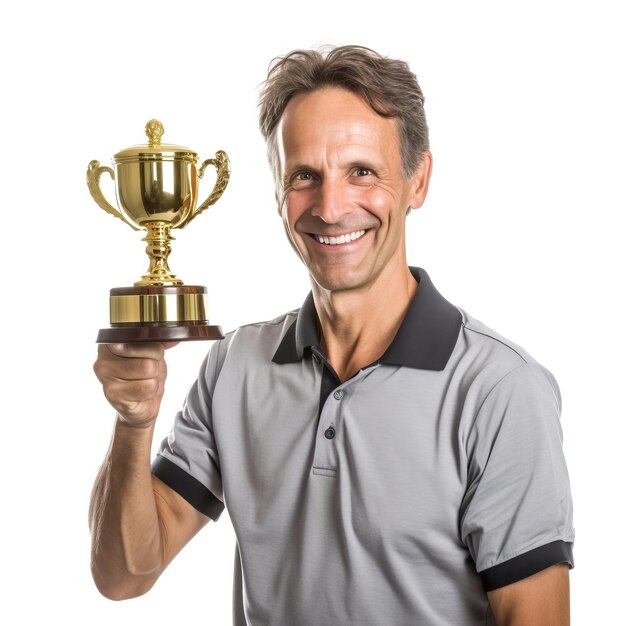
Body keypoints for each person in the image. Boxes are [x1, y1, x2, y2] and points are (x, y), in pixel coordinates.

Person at [90, 45, 574, 625]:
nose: (331, 206)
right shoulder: (235, 366)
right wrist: (134, 421)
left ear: (418, 181)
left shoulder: (500, 390)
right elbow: (123, 575)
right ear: (277, 194)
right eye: (304, 176)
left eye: (362, 172)